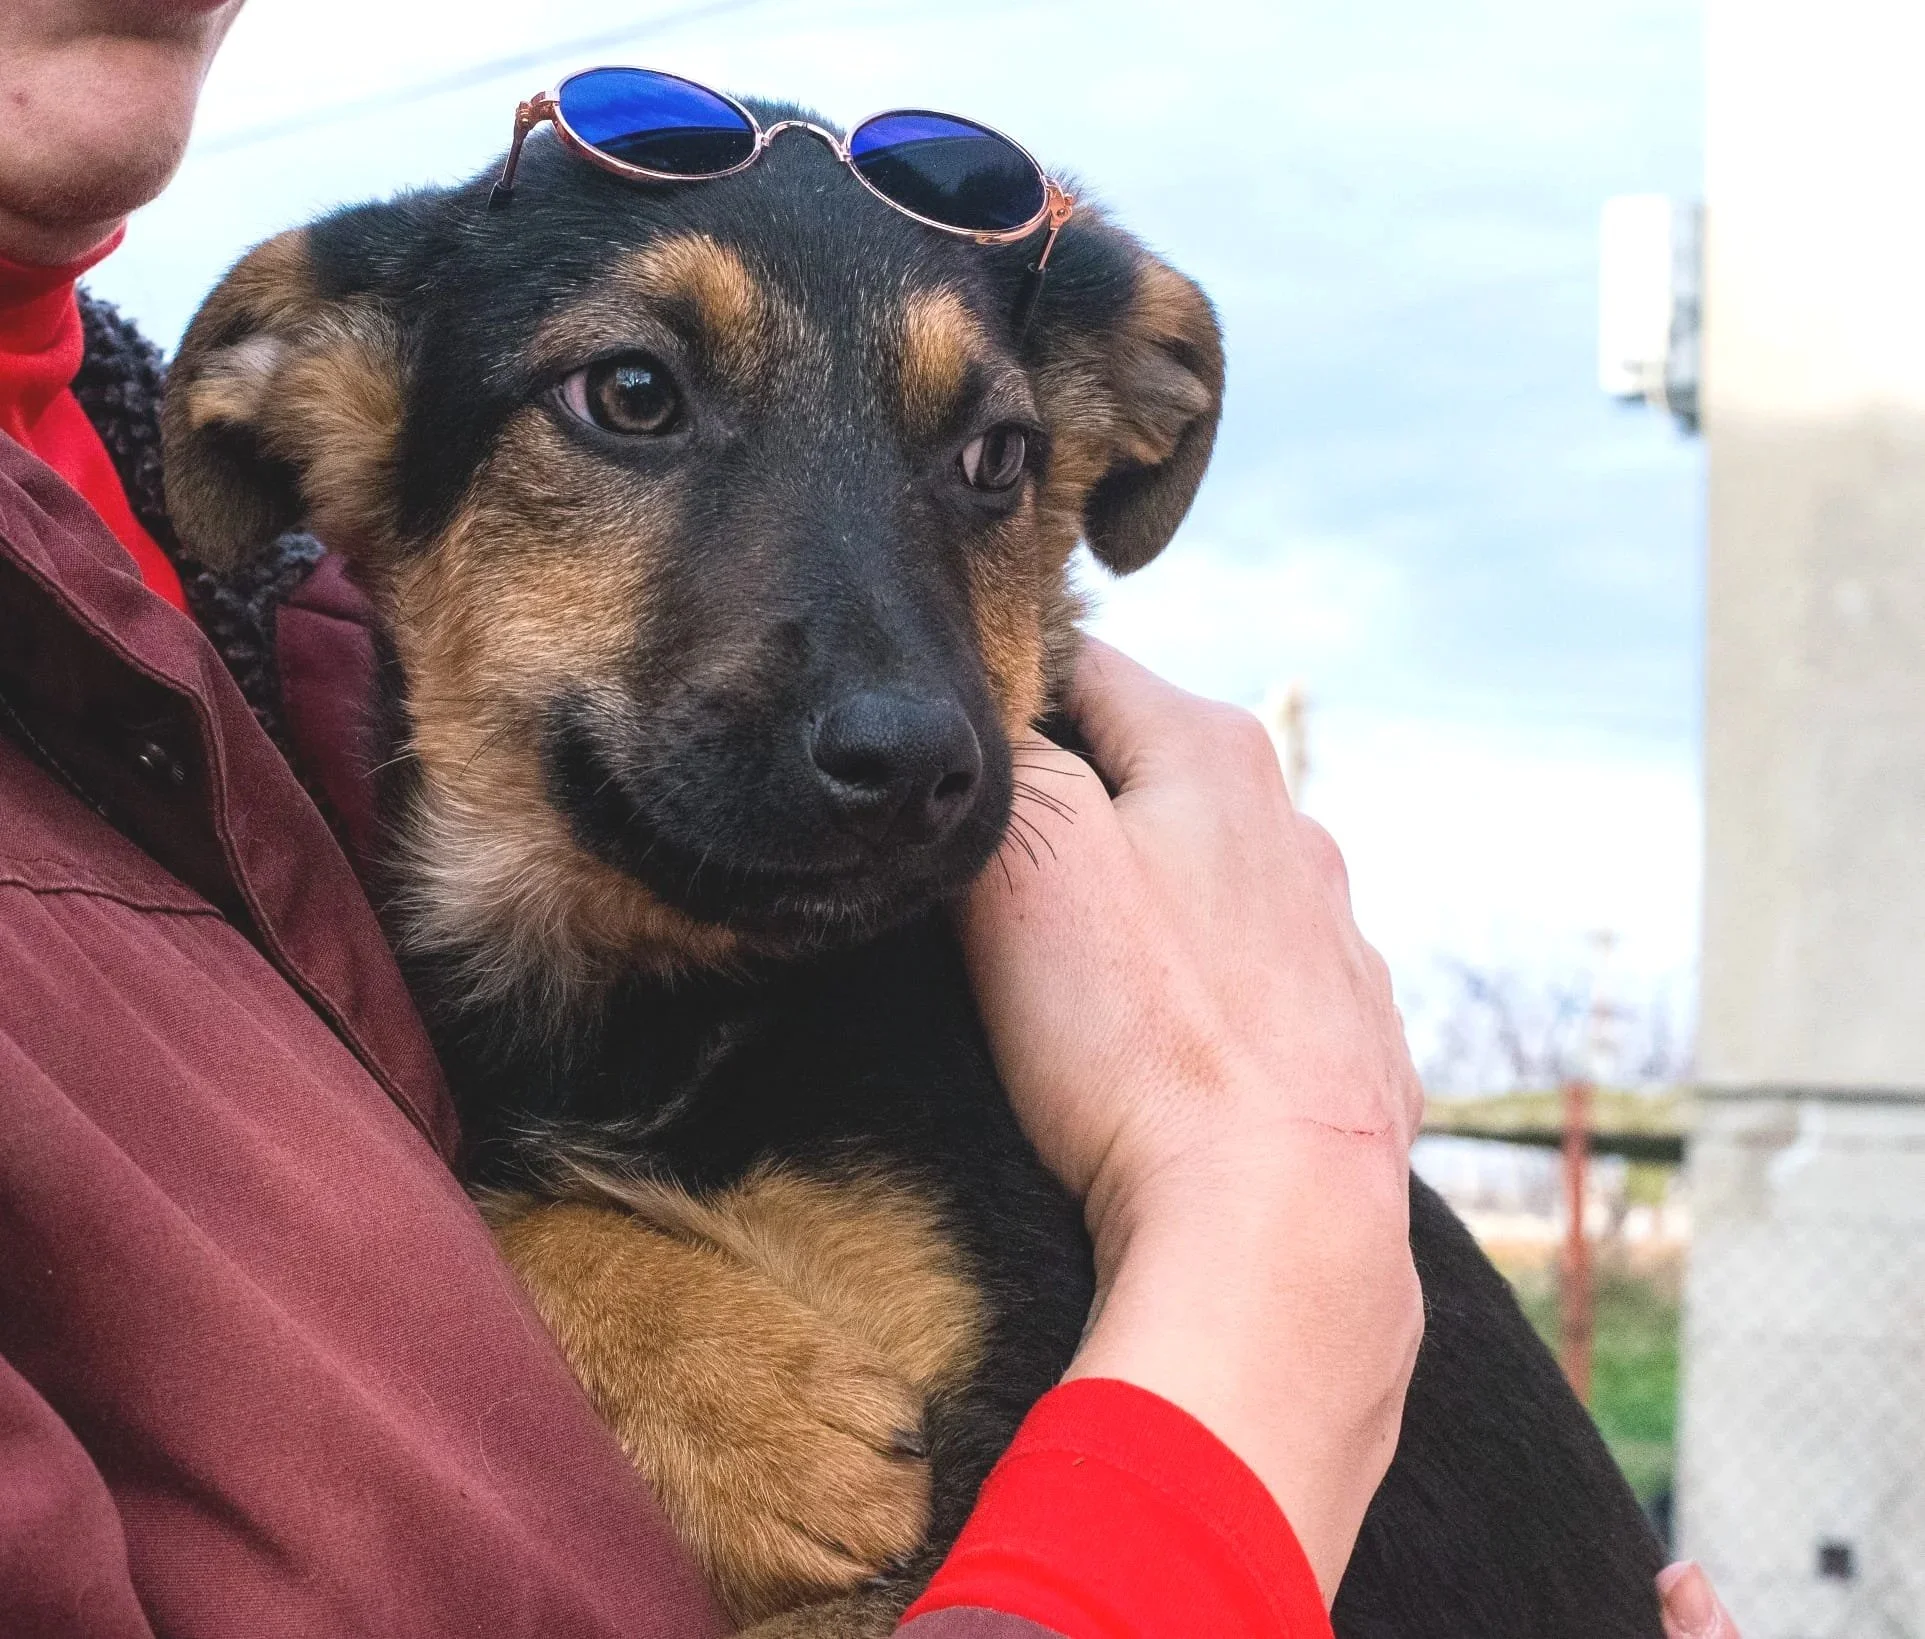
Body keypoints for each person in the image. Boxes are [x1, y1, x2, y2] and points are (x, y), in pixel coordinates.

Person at [0, 4, 1736, 1637]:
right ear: (324, 411)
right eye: (632, 399)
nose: (893, 705)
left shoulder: (216, 629)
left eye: (981, 462)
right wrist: (1268, 1215)